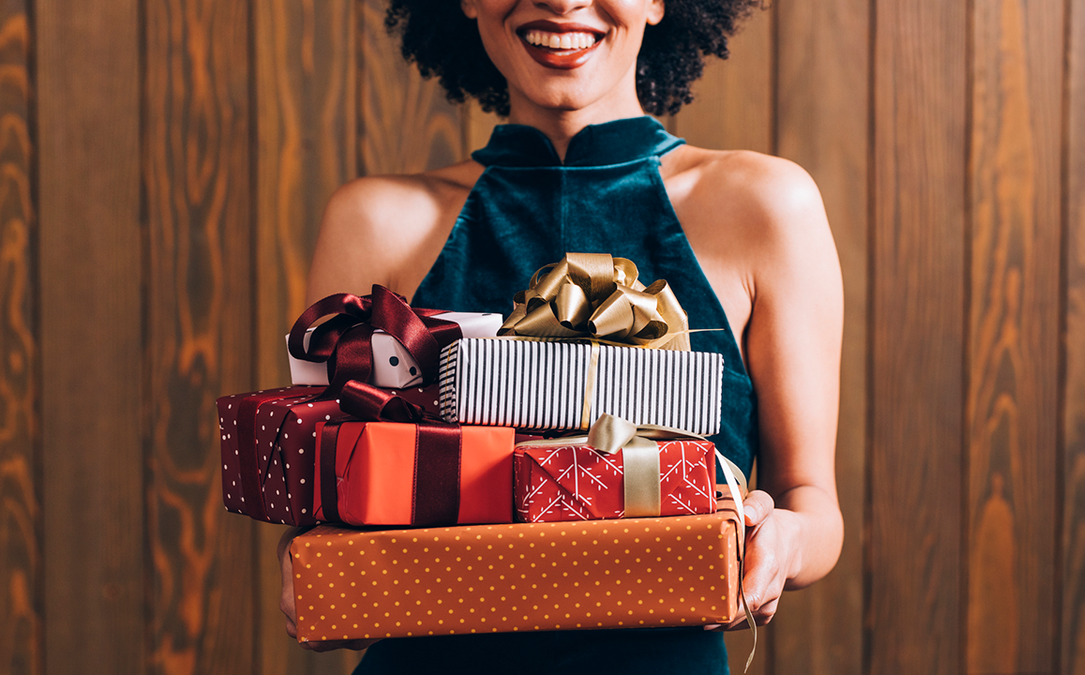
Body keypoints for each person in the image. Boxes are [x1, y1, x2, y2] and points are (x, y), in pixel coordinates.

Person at [278, 0, 845, 672]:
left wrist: (781, 539)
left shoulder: (767, 207)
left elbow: (811, 500)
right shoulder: (374, 222)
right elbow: (310, 519)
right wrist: (314, 573)